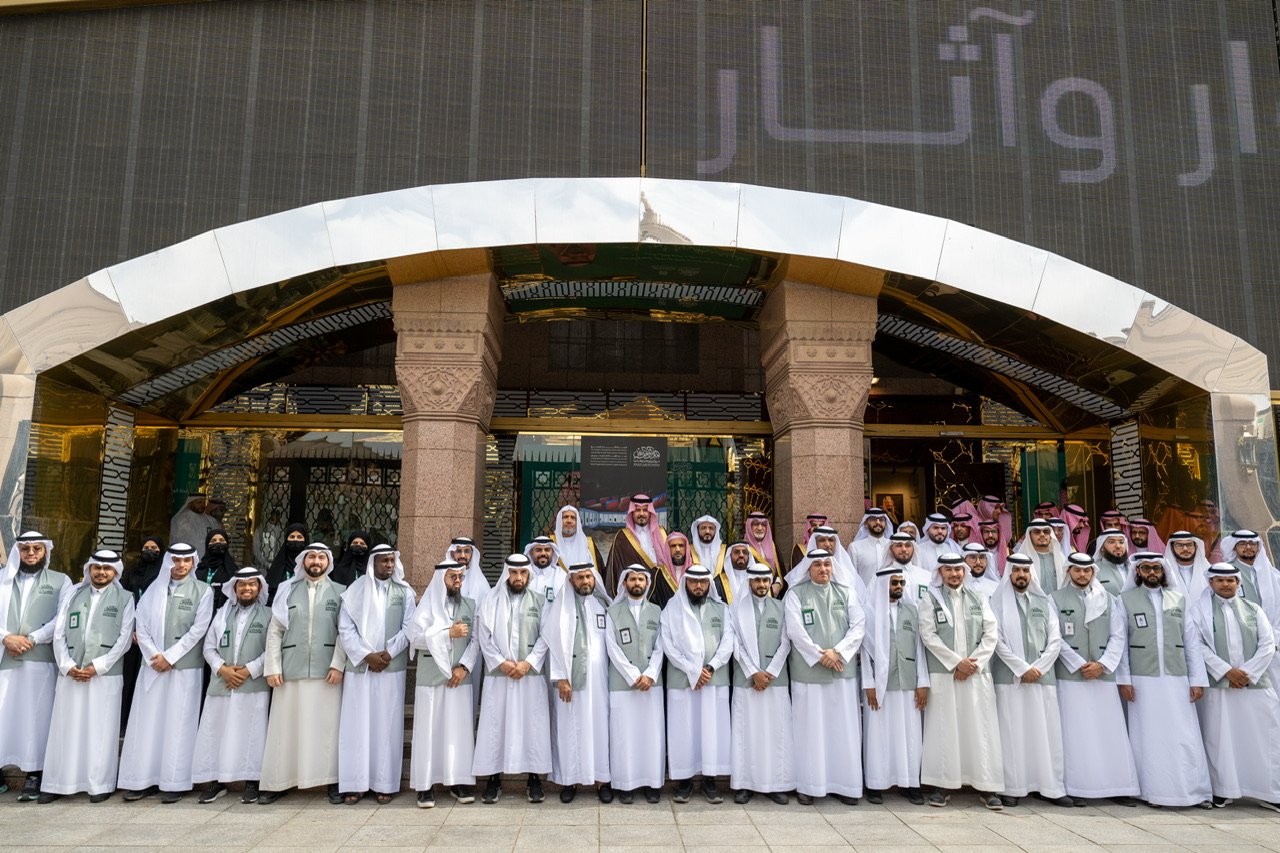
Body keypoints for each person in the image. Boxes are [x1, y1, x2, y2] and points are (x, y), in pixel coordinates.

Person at [118, 542, 214, 803]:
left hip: (184, 668)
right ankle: (142, 780)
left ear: (193, 563)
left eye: (185, 561)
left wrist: (170, 657)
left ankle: (174, 781)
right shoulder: (153, 590)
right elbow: (142, 624)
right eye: (175, 561)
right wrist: (154, 656)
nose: (180, 566)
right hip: (153, 667)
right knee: (146, 722)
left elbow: (198, 630)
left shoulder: (203, 591)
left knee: (178, 723)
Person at [1116, 553, 1212, 809]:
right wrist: (1124, 679)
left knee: (1184, 735)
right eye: (1145, 568)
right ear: (1137, 572)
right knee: (1148, 737)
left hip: (1177, 678)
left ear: (1163, 571)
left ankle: (1193, 791)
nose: (1151, 572)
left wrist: (1197, 680)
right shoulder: (1124, 600)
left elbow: (1192, 643)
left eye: (1156, 568)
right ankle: (1153, 792)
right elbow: (1121, 643)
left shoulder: (1178, 599)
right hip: (1142, 680)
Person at [38, 549, 134, 804]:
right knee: (64, 727)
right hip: (70, 672)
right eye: (97, 568)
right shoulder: (73, 594)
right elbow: (58, 632)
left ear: (115, 572)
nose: (101, 572)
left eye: (107, 569)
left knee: (100, 729)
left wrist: (98, 666)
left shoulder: (125, 598)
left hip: (104, 675)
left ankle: (99, 784)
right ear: (89, 569)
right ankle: (57, 782)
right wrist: (67, 665)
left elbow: (124, 639)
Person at [257, 543, 347, 805]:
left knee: (326, 728)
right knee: (285, 729)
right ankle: (278, 782)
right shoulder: (287, 590)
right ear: (303, 561)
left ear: (328, 562)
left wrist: (338, 664)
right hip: (290, 670)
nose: (316, 561)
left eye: (321, 557)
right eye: (311, 557)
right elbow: (275, 631)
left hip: (326, 671)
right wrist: (272, 667)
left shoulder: (340, 593)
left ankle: (330, 781)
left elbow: (345, 632)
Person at [1051, 551, 1140, 805]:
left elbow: (1118, 636)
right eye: (1077, 570)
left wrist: (1102, 665)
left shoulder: (1109, 600)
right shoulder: (1054, 599)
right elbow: (1055, 637)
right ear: (1069, 571)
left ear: (1093, 572)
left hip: (1103, 677)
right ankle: (1078, 788)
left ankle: (1117, 786)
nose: (1082, 574)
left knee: (1108, 732)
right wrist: (1080, 665)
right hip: (1072, 677)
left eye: (1087, 570)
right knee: (1075, 733)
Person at [918, 552, 1004, 809]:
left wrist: (971, 665)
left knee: (981, 728)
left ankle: (986, 785)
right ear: (940, 573)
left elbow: (991, 634)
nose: (954, 574)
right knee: (945, 728)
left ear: (964, 573)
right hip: (945, 675)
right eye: (948, 570)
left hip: (976, 676)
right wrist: (957, 663)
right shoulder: (929, 599)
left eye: (958, 570)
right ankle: (943, 784)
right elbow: (928, 635)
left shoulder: (979, 598)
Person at [1191, 563, 1280, 810]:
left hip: (1254, 685)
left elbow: (1267, 644)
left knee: (1264, 737)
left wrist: (1247, 674)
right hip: (1221, 686)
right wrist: (1226, 671)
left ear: (1238, 583)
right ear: (1211, 583)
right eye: (1220, 580)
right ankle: (1224, 790)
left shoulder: (1254, 609)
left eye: (1231, 580)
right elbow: (1197, 645)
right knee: (1221, 738)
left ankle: (1268, 791)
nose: (1226, 584)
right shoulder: (1200, 611)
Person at [989, 554, 1073, 808]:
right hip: (1009, 679)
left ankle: (1050, 786)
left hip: (1041, 678)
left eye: (1025, 570)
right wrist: (1021, 668)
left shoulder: (1043, 602)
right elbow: (996, 640)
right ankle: (1014, 787)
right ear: (1009, 574)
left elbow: (1055, 639)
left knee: (1046, 732)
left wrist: (1038, 668)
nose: (1021, 575)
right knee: (1012, 733)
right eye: (1016, 571)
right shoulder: (997, 602)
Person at [784, 549, 865, 806]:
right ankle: (809, 785)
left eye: (827, 564)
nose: (823, 569)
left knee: (843, 729)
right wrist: (822, 656)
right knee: (810, 731)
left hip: (842, 673)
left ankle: (844, 784)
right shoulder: (795, 595)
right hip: (808, 673)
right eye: (817, 564)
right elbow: (796, 632)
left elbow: (858, 626)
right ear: (808, 568)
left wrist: (838, 652)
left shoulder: (847, 593)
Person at [336, 544, 415, 805]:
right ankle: (354, 784)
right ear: (373, 563)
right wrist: (366, 656)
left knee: (387, 725)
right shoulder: (354, 591)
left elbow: (409, 629)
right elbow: (345, 629)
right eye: (384, 561)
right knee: (356, 726)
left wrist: (388, 654)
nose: (389, 565)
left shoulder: (404, 592)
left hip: (390, 669)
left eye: (392, 560)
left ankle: (385, 783)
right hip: (361, 669)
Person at [474, 553, 552, 805]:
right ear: (506, 574)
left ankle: (534, 779)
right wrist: (503, 663)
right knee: (496, 725)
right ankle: (493, 779)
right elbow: (483, 636)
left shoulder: (540, 601)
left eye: (523, 573)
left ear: (528, 575)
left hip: (530, 674)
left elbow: (546, 636)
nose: (518, 578)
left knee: (533, 725)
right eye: (514, 573)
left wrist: (528, 663)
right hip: (500, 676)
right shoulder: (490, 600)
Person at [0, 531, 72, 801]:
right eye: (26, 549)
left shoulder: (61, 581)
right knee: (3, 714)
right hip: (5, 656)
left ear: (45, 552)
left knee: (36, 717)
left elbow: (61, 618)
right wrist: (6, 638)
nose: (31, 554)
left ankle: (34, 773)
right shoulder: (2, 579)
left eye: (37, 549)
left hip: (40, 659)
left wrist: (31, 639)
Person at [192, 566, 271, 804]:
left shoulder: (269, 615)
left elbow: (272, 649)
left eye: (252, 584)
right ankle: (217, 781)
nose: (247, 588)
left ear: (259, 588)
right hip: (222, 683)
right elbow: (208, 647)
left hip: (252, 684)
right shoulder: (222, 613)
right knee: (217, 731)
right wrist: (223, 669)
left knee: (251, 733)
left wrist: (249, 670)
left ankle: (251, 781)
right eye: (242, 585)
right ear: (234, 589)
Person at [407, 560, 479, 809]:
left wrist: (464, 667)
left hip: (459, 678)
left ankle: (457, 780)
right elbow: (414, 638)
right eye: (452, 578)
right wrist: (447, 633)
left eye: (460, 578)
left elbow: (475, 641)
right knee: (429, 731)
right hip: (431, 678)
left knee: (457, 732)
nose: (457, 582)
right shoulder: (425, 607)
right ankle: (425, 786)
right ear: (441, 580)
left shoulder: (470, 605)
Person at [661, 564, 734, 805]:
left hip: (714, 679)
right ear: (686, 583)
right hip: (682, 680)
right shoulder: (672, 608)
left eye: (703, 582)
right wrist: (693, 670)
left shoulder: (721, 609)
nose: (699, 586)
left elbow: (728, 641)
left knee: (712, 730)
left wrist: (710, 667)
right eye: (694, 582)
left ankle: (710, 780)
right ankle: (684, 781)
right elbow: (668, 644)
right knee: (684, 730)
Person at [543, 562, 613, 803]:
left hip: (600, 683)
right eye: (580, 578)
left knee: (599, 729)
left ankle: (602, 780)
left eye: (588, 577)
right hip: (570, 683)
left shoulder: (604, 606)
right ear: (571, 581)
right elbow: (552, 644)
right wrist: (561, 678)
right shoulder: (560, 607)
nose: (585, 581)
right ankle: (569, 780)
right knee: (569, 729)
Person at [860, 565, 927, 806]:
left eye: (901, 583)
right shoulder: (869, 613)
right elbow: (865, 652)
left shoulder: (911, 611)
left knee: (909, 735)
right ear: (882, 585)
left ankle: (910, 783)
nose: (898, 587)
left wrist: (923, 683)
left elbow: (919, 649)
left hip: (908, 681)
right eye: (894, 583)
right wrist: (868, 684)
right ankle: (876, 784)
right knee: (879, 734)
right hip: (880, 685)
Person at [728, 562, 792, 805]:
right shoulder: (736, 609)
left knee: (776, 733)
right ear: (749, 582)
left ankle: (777, 784)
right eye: (758, 581)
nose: (762, 585)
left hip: (775, 681)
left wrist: (770, 672)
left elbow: (786, 642)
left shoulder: (781, 607)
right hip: (747, 681)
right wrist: (753, 672)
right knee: (748, 733)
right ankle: (745, 784)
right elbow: (735, 644)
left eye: (766, 580)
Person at [604, 565, 666, 804]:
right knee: (624, 735)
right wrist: (632, 675)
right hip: (622, 685)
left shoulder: (657, 611)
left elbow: (661, 647)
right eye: (632, 579)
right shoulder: (612, 612)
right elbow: (612, 647)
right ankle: (625, 785)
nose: (637, 583)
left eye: (641, 579)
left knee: (651, 735)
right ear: (624, 583)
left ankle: (652, 784)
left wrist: (650, 674)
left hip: (651, 684)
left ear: (647, 583)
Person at [118, 535, 164, 728]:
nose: (150, 551)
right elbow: (124, 600)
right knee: (128, 678)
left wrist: (145, 631)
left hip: (152, 638)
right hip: (131, 637)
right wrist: (132, 629)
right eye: (146, 547)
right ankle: (124, 722)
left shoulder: (164, 575)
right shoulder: (131, 573)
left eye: (154, 548)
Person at [604, 495, 669, 596]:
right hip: (634, 590)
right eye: (638, 510)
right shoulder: (623, 536)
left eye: (645, 510)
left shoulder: (662, 533)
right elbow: (615, 568)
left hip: (660, 591)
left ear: (650, 512)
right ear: (632, 512)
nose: (641, 514)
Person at [1017, 519, 1068, 592]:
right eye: (1037, 532)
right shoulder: (1022, 560)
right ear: (1029, 535)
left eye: (1046, 532)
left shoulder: (1060, 558)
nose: (1042, 534)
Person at [263, 522, 308, 603]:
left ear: (305, 540)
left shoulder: (309, 566)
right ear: (286, 540)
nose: (295, 540)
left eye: (299, 537)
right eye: (292, 537)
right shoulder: (278, 566)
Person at [196, 528, 239, 609]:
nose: (218, 543)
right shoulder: (200, 568)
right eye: (213, 541)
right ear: (207, 544)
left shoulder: (232, 570)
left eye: (222, 540)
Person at [849, 508, 892, 586]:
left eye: (881, 519)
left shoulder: (893, 546)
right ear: (865, 523)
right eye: (873, 519)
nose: (878, 522)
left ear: (886, 524)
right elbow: (852, 576)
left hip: (889, 596)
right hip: (864, 596)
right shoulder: (855, 547)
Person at [551, 505, 601, 571]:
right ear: (559, 520)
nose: (569, 521)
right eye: (565, 517)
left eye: (573, 518)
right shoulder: (551, 542)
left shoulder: (588, 543)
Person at [170, 495, 218, 560]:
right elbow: (175, 540)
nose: (202, 505)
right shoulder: (180, 520)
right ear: (190, 503)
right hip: (186, 557)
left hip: (206, 559)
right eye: (199, 502)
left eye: (204, 502)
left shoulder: (211, 521)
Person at [1163, 530, 1210, 596]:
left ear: (1195, 547)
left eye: (1189, 545)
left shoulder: (1207, 569)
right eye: (1180, 545)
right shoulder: (1164, 571)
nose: (1185, 549)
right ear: (1172, 548)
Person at [524, 535, 566, 605]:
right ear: (531, 553)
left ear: (553, 553)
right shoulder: (523, 573)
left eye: (547, 550)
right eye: (538, 550)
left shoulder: (561, 575)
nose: (543, 553)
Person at [1090, 529, 1129, 594]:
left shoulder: (1134, 569)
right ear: (1102, 547)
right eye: (1112, 542)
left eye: (1121, 542)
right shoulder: (1093, 570)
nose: (1118, 546)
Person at [743, 511, 782, 576]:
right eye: (756, 524)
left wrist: (778, 582)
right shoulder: (742, 547)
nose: (760, 528)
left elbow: (780, 570)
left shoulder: (773, 546)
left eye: (763, 525)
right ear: (749, 526)